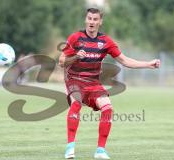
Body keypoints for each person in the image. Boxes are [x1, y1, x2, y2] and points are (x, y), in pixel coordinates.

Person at [59, 8, 160, 159]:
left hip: (93, 82)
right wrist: (75, 57)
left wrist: (148, 64)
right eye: (89, 18)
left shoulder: (105, 41)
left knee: (108, 108)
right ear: (86, 20)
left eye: (95, 19)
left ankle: (100, 151)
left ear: (100, 22)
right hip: (74, 79)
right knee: (76, 104)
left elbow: (125, 61)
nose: (92, 22)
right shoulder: (76, 38)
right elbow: (61, 62)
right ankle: (70, 148)